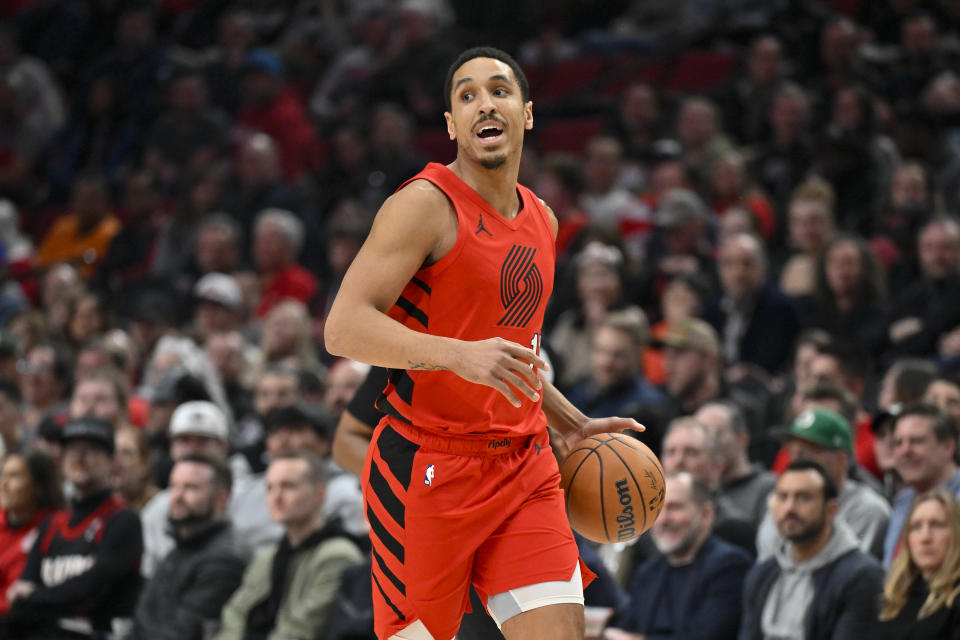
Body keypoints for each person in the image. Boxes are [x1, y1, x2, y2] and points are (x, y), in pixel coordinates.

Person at [324, 46, 643, 640]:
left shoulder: (542, 221)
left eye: (498, 90)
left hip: (523, 465)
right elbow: (342, 327)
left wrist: (567, 420)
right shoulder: (423, 205)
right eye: (465, 96)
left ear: (526, 113)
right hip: (426, 467)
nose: (482, 103)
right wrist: (458, 354)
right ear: (451, 126)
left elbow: (512, 360)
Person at [6, 417, 143, 640]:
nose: (79, 458)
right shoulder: (52, 523)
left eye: (90, 450)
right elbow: (23, 591)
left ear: (111, 461)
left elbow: (92, 588)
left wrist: (36, 597)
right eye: (71, 450)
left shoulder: (123, 520)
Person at [215, 452, 363, 640]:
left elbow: (303, 629)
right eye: (270, 488)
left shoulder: (338, 555)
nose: (276, 497)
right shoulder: (268, 558)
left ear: (319, 493)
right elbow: (235, 614)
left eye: (288, 486)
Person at [739, 460, 884, 640]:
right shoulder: (761, 575)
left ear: (831, 510)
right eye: (782, 497)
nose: (789, 508)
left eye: (803, 497)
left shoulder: (862, 577)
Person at [602, 472, 750, 640]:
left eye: (674, 507)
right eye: (656, 508)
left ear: (706, 514)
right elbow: (623, 628)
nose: (663, 519)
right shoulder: (648, 572)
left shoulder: (729, 567)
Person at [131, 454, 245, 640]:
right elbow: (141, 617)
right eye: (174, 486)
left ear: (221, 499)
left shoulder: (224, 560)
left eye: (190, 488)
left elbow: (184, 634)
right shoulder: (180, 548)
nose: (177, 496)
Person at [756, 408, 890, 558]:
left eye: (806, 453)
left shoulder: (867, 509)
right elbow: (768, 559)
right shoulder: (781, 500)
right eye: (792, 451)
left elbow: (851, 572)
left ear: (841, 460)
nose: (795, 461)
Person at [884, 403, 960, 567]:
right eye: (898, 443)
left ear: (948, 447)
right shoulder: (903, 501)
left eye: (917, 441)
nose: (905, 451)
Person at [877, 489, 960, 639]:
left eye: (937, 525)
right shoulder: (895, 595)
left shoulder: (956, 598)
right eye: (916, 527)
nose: (925, 537)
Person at [0, 451, 65, 615]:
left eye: (14, 476)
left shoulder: (55, 528)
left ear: (38, 486)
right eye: (2, 475)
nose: (4, 484)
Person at [694, 401, 775, 527]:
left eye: (716, 434)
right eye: (700, 436)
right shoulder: (693, 490)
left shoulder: (768, 487)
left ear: (742, 438)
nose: (707, 443)